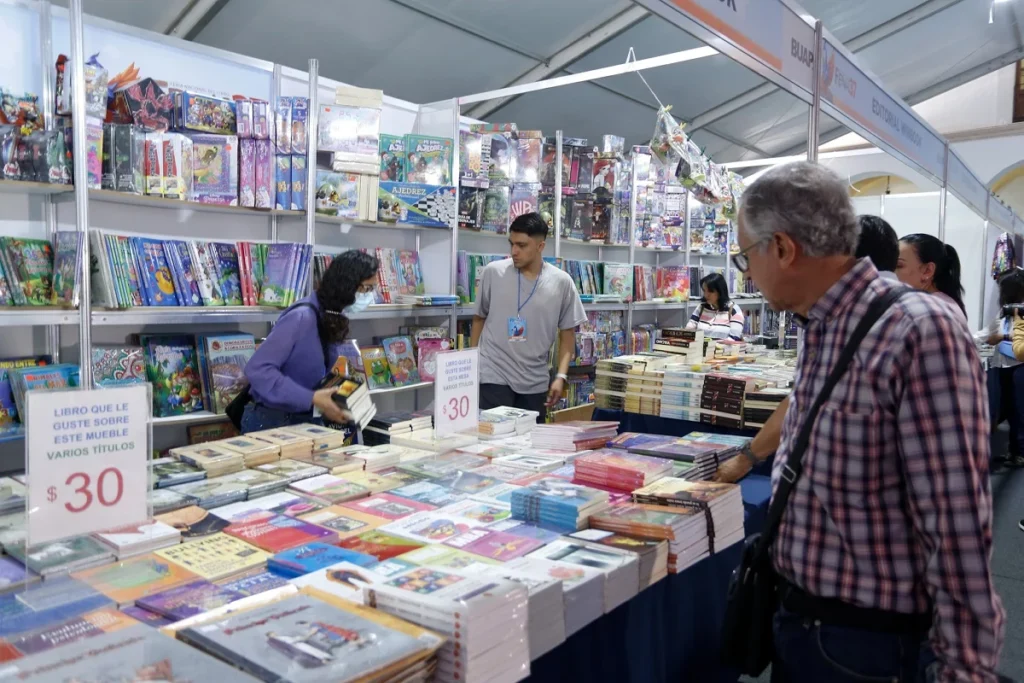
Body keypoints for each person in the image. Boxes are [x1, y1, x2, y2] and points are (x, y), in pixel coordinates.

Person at [733, 161, 1003, 682]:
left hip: (868, 646)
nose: (747, 273)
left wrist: (964, 669)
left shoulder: (918, 329)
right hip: (802, 621)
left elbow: (957, 526)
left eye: (747, 256)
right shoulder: (820, 324)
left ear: (782, 248)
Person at [716, 213, 901, 484]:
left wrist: (746, 459)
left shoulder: (902, 322)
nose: (748, 273)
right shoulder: (824, 319)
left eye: (750, 257)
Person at [241, 250, 380, 432]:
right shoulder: (302, 317)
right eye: (367, 289)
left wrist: (330, 403)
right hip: (273, 420)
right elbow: (258, 369)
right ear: (348, 284)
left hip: (303, 417)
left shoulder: (330, 315)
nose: (369, 296)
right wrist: (311, 398)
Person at [471, 212, 586, 418]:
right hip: (493, 373)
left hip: (535, 379)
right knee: (493, 435)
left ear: (540, 246)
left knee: (530, 437)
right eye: (512, 244)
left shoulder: (561, 282)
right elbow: (479, 318)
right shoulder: (493, 272)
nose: (514, 251)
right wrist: (472, 364)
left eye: (522, 245)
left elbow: (568, 333)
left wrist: (561, 376)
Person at [981, 269, 1024, 470]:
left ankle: (1020, 452)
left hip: (1019, 365)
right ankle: (1014, 451)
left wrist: (1003, 337)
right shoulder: (1006, 310)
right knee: (1009, 408)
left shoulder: (1019, 310)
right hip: (1004, 364)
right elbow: (990, 331)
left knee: (1019, 410)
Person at [896, 233, 967, 316]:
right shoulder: (944, 303)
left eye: (898, 265)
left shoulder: (927, 310)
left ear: (927, 270)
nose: (890, 271)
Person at [684, 272, 744, 340]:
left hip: (724, 347)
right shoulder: (701, 307)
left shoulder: (733, 310)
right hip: (700, 346)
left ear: (720, 291)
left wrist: (713, 345)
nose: (706, 295)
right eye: (704, 291)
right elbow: (688, 331)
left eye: (710, 291)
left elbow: (734, 338)